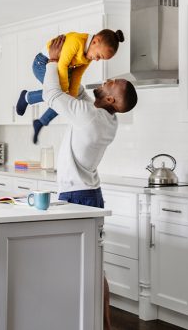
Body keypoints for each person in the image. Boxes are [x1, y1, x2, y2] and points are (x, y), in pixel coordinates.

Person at [43, 34, 138, 330]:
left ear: (110, 99)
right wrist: (77, 61)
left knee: (79, 267)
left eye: (110, 85)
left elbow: (53, 96)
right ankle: (103, 324)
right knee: (95, 269)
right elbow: (81, 92)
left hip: (78, 198)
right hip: (89, 194)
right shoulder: (106, 117)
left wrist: (53, 62)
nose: (106, 81)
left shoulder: (91, 117)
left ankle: (87, 322)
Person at [15, 29, 125, 144]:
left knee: (65, 100)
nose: (97, 59)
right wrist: (64, 93)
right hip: (43, 63)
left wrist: (71, 96)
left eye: (100, 58)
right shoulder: (76, 42)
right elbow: (62, 65)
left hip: (61, 67)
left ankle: (41, 122)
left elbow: (77, 75)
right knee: (57, 95)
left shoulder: (88, 56)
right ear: (95, 42)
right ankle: (26, 97)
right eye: (99, 55)